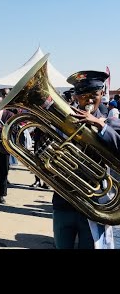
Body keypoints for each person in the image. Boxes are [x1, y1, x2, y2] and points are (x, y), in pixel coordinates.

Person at [52, 70, 113, 249]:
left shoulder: (110, 123)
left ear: (102, 94)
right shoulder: (62, 123)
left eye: (94, 95)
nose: (89, 100)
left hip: (94, 204)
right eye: (84, 96)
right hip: (64, 201)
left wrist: (100, 125)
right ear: (76, 97)